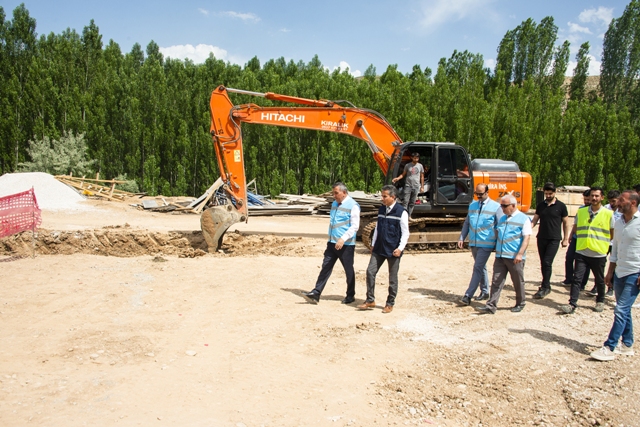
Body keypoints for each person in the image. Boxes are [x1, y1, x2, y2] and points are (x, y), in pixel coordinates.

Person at [590, 190, 640, 361]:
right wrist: (610, 272)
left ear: (632, 203)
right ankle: (627, 345)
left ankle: (609, 347)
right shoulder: (619, 222)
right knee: (623, 309)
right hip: (620, 272)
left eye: (622, 200)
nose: (618, 202)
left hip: (635, 272)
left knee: (620, 309)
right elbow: (615, 249)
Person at [302, 182, 360, 304]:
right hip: (332, 243)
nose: (334, 195)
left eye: (336, 193)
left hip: (346, 245)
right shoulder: (334, 203)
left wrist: (342, 239)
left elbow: (355, 226)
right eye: (333, 192)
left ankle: (350, 295)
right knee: (325, 267)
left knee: (348, 270)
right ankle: (316, 292)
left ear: (344, 193)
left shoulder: (353, 206)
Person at [560, 187, 615, 314]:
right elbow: (576, 228)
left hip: (598, 252)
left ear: (602, 197)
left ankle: (600, 301)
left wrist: (600, 243)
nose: (594, 198)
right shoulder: (582, 212)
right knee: (577, 279)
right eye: (592, 196)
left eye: (597, 196)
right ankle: (572, 303)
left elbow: (612, 233)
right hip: (582, 251)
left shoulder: (608, 214)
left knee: (599, 279)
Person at [357, 185, 409, 313]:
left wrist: (400, 248)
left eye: (385, 196)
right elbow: (377, 229)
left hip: (393, 250)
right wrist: (373, 244)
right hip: (379, 248)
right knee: (370, 272)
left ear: (393, 197)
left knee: (392, 278)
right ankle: (370, 300)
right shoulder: (381, 210)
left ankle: (390, 303)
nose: (382, 198)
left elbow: (406, 233)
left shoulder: (401, 212)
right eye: (382, 196)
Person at [477, 195, 531, 314]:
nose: (502, 208)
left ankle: (520, 303)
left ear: (513, 205)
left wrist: (520, 254)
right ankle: (491, 306)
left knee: (517, 281)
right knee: (496, 281)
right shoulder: (502, 219)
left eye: (504, 206)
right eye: (501, 205)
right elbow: (497, 233)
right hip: (501, 256)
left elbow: (526, 238)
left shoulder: (523, 219)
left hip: (514, 257)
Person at [456, 183, 503, 305]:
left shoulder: (496, 207)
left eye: (481, 194)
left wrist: (499, 243)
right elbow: (467, 223)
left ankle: (468, 295)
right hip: (474, 242)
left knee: (477, 267)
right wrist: (462, 237)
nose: (478, 196)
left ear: (487, 193)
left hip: (486, 243)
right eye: (477, 194)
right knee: (481, 266)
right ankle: (485, 291)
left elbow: (500, 226)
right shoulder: (473, 206)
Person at [531, 182, 570, 299]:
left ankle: (546, 286)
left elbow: (566, 223)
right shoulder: (541, 205)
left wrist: (565, 239)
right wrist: (527, 229)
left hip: (554, 238)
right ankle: (545, 284)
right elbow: (535, 219)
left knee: (547, 262)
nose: (548, 195)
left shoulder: (561, 206)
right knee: (543, 262)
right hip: (541, 237)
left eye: (550, 193)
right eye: (546, 193)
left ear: (555, 192)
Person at [563, 189, 591, 288]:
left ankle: (582, 283)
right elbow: (576, 223)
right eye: (585, 199)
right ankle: (569, 279)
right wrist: (571, 235)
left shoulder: (595, 212)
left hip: (586, 240)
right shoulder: (581, 209)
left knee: (584, 262)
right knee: (569, 257)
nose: (586, 202)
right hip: (576, 238)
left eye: (588, 199)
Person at [392, 152, 424, 218]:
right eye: (415, 158)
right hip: (408, 186)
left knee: (412, 202)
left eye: (417, 158)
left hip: (416, 186)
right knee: (405, 201)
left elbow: (422, 177)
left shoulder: (420, 166)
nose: (416, 159)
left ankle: (409, 216)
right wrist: (397, 178)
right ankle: (404, 216)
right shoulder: (407, 165)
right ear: (412, 158)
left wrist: (422, 187)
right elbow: (403, 174)